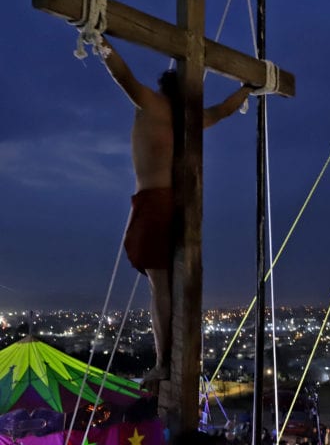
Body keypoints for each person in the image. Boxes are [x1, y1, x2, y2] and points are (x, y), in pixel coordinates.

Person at [100, 37, 256, 382]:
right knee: (170, 284)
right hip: (178, 206)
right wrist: (247, 89)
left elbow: (122, 75)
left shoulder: (151, 105)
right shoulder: (190, 119)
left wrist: (100, 40)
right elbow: (223, 110)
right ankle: (169, 359)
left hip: (153, 203)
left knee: (161, 288)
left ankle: (164, 361)